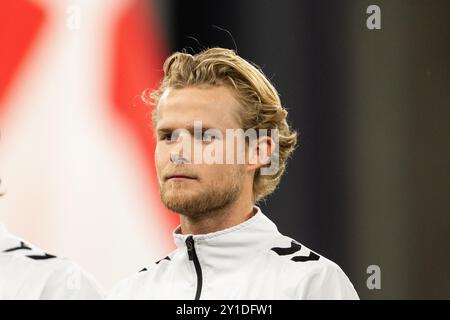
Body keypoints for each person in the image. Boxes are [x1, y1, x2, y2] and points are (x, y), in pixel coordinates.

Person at [109, 48, 358, 299]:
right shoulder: (131, 293)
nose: (178, 153)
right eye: (168, 136)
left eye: (204, 135)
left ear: (258, 151)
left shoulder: (311, 284)